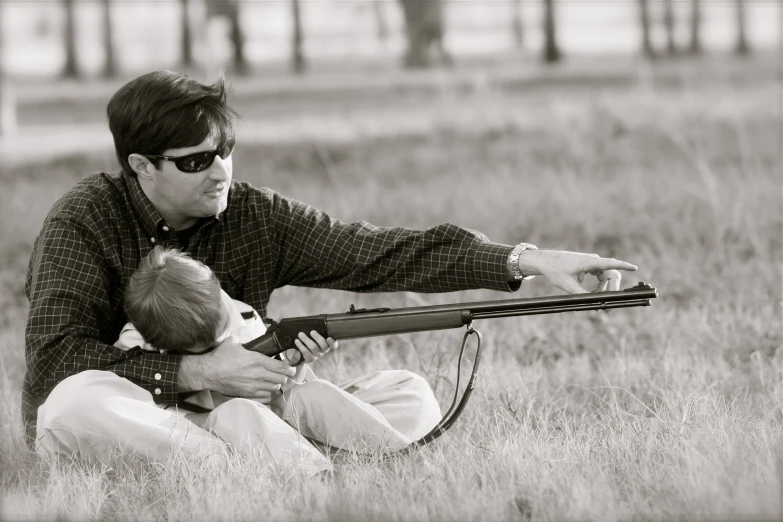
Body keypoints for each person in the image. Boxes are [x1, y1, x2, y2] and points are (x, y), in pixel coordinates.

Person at [25, 70, 637, 467]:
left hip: (250, 417)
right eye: (197, 161)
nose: (221, 172)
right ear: (141, 165)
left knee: (408, 393)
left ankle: (279, 466)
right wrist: (199, 371)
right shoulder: (82, 221)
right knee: (74, 404)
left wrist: (527, 260)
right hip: (139, 418)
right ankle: (282, 472)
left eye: (226, 152)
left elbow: (380, 252)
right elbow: (55, 361)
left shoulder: (255, 214)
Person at [106, 245, 439, 473]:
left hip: (284, 428)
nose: (223, 336)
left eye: (223, 321)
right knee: (239, 412)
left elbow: (289, 397)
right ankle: (325, 475)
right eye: (204, 347)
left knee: (408, 389)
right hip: (224, 441)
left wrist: (296, 363)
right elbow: (129, 401)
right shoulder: (136, 345)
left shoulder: (240, 311)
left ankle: (392, 456)